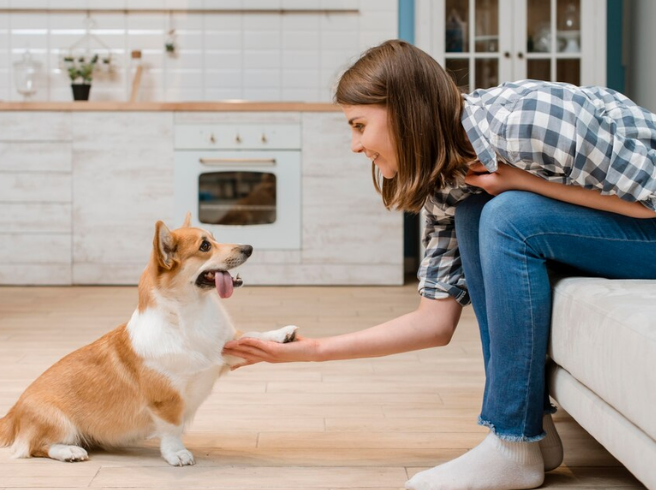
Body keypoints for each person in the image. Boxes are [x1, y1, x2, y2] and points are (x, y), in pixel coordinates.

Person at [222, 39, 656, 490]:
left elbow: (651, 200)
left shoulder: (527, 121)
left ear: (406, 110)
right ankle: (533, 431)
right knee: (476, 211)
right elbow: (435, 322)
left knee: (507, 213)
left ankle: (512, 444)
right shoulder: (450, 179)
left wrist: (519, 183)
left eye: (359, 126)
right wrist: (310, 350)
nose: (355, 146)